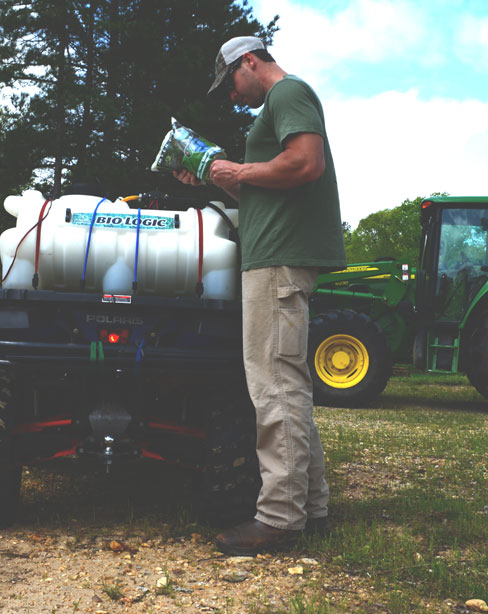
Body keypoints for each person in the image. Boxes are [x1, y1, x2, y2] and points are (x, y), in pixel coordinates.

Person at [173, 35, 346, 555]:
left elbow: (306, 163)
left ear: (249, 62)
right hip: (273, 256)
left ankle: (279, 519)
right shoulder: (274, 107)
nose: (229, 96)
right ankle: (309, 509)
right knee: (287, 384)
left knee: (274, 387)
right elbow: (265, 190)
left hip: (278, 262)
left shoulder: (288, 94)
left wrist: (238, 168)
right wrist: (214, 176)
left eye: (229, 83)